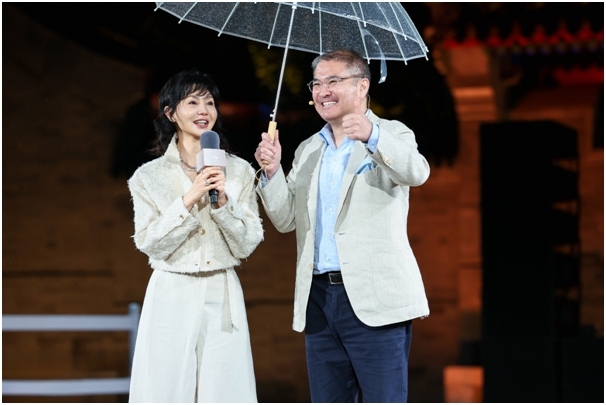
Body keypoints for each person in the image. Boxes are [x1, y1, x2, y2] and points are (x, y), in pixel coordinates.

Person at [254, 49, 430, 402]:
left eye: (333, 81)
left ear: (362, 86)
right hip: (319, 299)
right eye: (317, 84)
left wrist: (372, 136)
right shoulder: (308, 149)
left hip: (374, 297)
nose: (323, 91)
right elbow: (286, 220)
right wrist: (271, 173)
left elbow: (417, 172)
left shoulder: (392, 133)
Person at [128, 69, 263, 403]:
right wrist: (189, 199)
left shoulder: (239, 171)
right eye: (192, 102)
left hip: (222, 288)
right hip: (171, 288)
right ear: (171, 113)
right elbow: (149, 242)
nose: (204, 110)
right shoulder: (148, 177)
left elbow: (247, 242)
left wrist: (224, 204)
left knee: (226, 390)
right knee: (165, 388)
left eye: (210, 102)